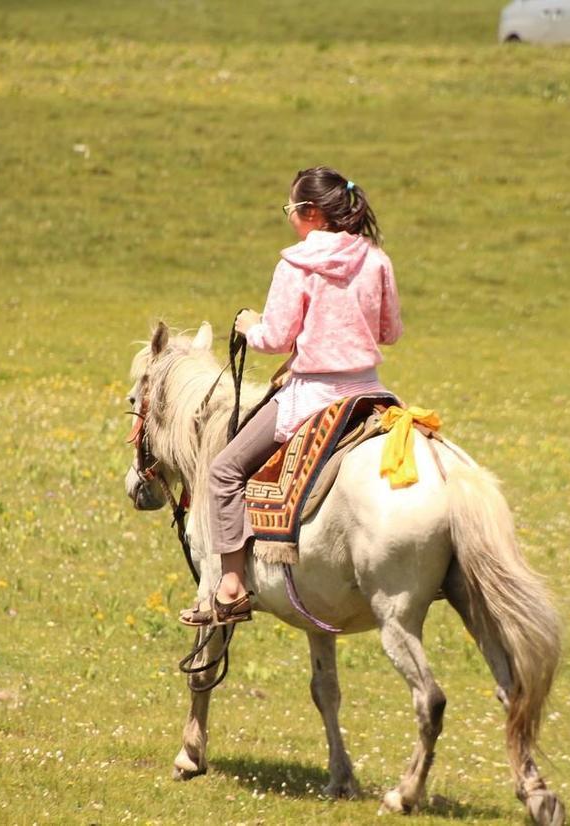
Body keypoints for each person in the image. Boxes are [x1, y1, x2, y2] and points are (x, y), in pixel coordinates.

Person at [180, 166, 403, 626]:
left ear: (312, 213)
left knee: (224, 470)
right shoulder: (376, 260)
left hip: (313, 395)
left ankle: (231, 585)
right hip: (369, 391)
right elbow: (390, 332)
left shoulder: (297, 263)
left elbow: (277, 338)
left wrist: (248, 326)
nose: (290, 220)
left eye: (291, 211)